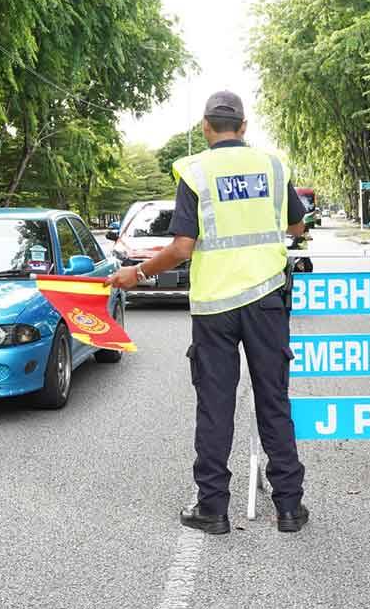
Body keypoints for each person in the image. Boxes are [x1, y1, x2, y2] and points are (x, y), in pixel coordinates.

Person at [106, 90, 309, 534]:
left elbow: (182, 247)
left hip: (215, 308)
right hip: (267, 300)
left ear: (205, 127)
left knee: (215, 407)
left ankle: (213, 508)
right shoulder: (272, 166)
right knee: (273, 400)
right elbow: (296, 225)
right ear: (243, 125)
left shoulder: (194, 171)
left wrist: (135, 275)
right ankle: (289, 508)